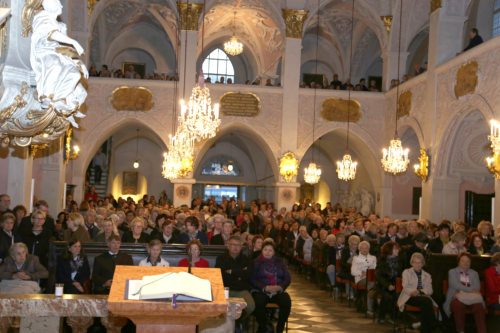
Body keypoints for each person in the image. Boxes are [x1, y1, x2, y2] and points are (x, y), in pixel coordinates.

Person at [24, 0, 88, 120]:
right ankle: (47, 98)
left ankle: (62, 101)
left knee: (75, 75)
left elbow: (65, 49)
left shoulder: (61, 26)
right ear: (50, 6)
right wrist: (74, 42)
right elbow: (50, 34)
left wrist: (80, 64)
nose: (61, 5)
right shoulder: (42, 17)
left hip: (58, 54)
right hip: (44, 53)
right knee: (56, 65)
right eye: (58, 3)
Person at [215, 235, 255, 331]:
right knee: (221, 307)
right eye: (233, 244)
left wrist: (231, 271)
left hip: (241, 290)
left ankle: (238, 321)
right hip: (226, 290)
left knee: (251, 306)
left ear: (241, 247)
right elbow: (221, 276)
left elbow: (248, 275)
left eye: (238, 245)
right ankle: (230, 326)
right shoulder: (221, 258)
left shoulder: (246, 259)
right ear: (228, 246)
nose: (235, 247)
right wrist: (240, 273)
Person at [251, 241, 291, 333]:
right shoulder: (256, 262)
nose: (267, 252)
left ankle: (279, 329)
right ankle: (264, 327)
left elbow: (287, 278)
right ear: (262, 251)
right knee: (258, 303)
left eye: (270, 250)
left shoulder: (280, 262)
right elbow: (252, 279)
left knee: (286, 301)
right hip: (261, 290)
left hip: (277, 291)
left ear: (274, 252)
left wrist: (280, 287)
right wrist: (264, 287)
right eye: (265, 249)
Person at [444, 253, 486, 333]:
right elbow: (455, 285)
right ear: (458, 262)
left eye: (468, 261)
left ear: (470, 263)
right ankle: (461, 331)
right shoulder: (452, 272)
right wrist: (470, 290)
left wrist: (462, 291)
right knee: (458, 305)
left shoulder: (474, 273)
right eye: (463, 261)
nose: (465, 263)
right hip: (456, 297)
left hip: (472, 299)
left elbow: (477, 288)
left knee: (479, 306)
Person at [397, 252, 438, 333]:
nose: (417, 264)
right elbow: (405, 286)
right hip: (409, 296)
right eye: (415, 262)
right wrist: (413, 292)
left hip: (422, 297)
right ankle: (431, 325)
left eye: (419, 262)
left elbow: (430, 290)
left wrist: (420, 291)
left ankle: (424, 327)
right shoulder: (406, 272)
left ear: (423, 263)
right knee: (427, 302)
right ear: (411, 263)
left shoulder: (427, 275)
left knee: (426, 302)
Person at [376, 241, 401, 323]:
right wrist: (388, 285)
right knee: (386, 295)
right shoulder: (382, 260)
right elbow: (379, 276)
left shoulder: (400, 260)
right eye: (395, 249)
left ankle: (393, 316)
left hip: (396, 284)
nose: (398, 250)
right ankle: (381, 316)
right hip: (383, 284)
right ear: (389, 250)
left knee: (396, 294)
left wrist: (396, 285)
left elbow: (401, 275)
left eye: (398, 248)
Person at [351, 240, 377, 315]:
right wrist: (361, 273)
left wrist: (368, 272)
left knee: (374, 283)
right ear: (359, 249)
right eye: (363, 248)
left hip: (372, 278)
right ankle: (369, 309)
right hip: (361, 279)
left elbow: (375, 269)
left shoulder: (373, 258)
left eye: (366, 248)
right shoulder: (356, 258)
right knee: (371, 284)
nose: (365, 250)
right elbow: (353, 272)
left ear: (369, 249)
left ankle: (377, 306)